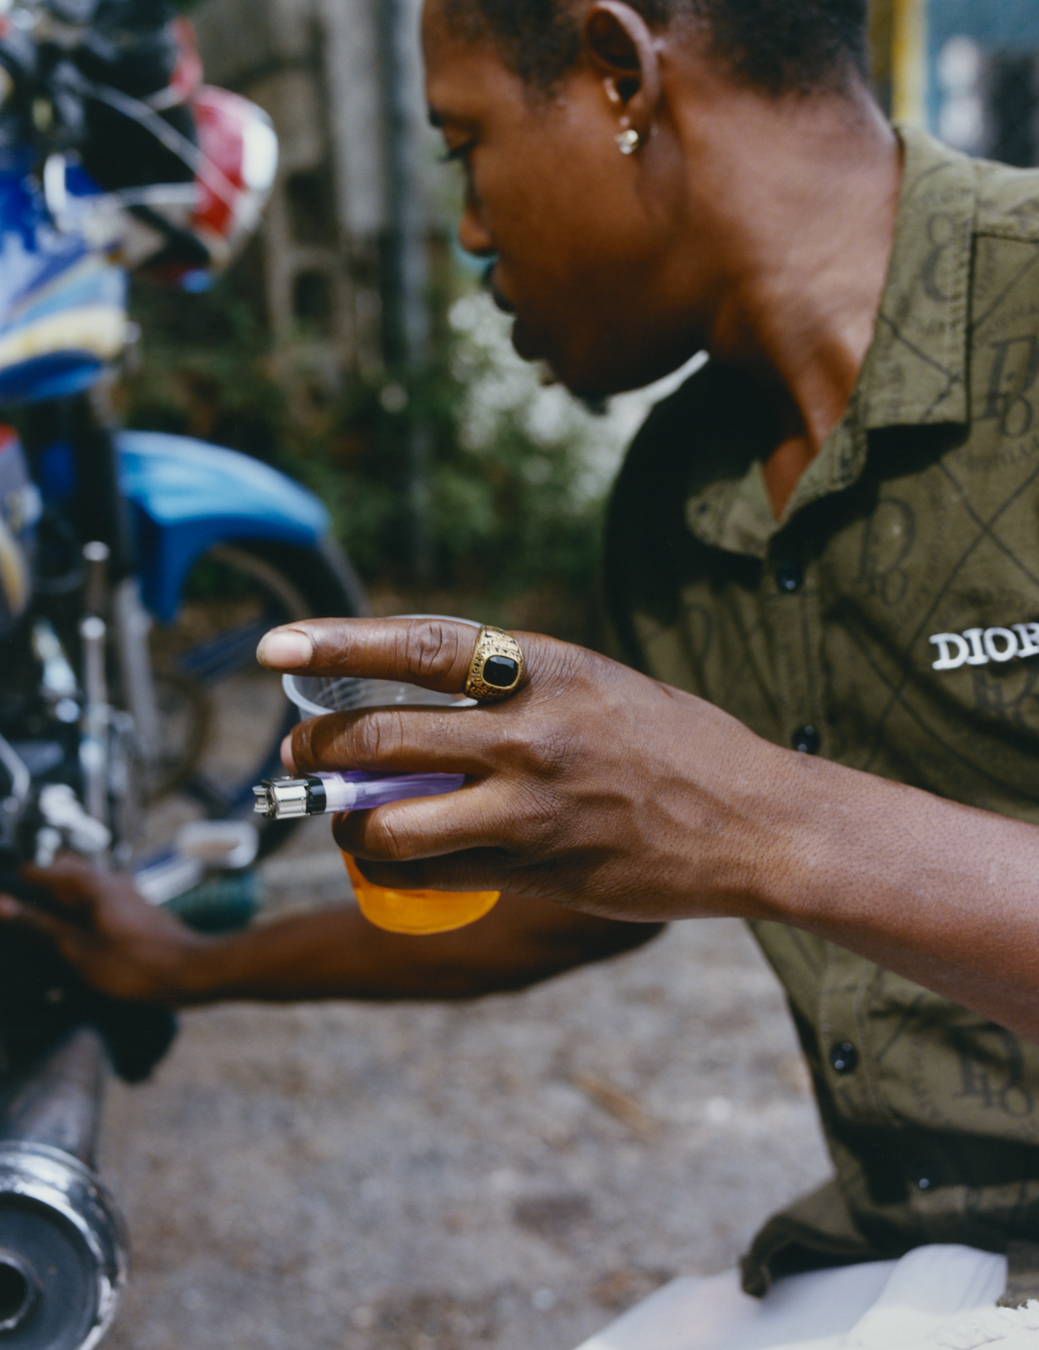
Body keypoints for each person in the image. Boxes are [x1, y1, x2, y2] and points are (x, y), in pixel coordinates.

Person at [7, 0, 1039, 1339]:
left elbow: (725, 822)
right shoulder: (680, 495)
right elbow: (569, 903)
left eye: (462, 145)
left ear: (619, 77)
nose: (472, 232)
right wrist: (179, 961)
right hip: (923, 1255)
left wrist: (753, 814)